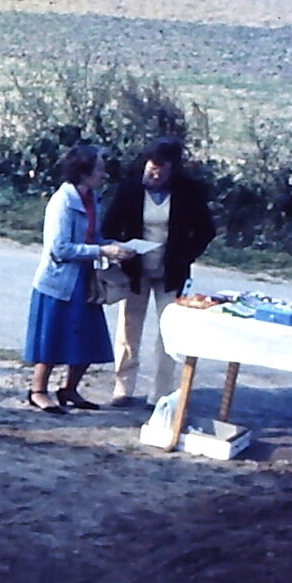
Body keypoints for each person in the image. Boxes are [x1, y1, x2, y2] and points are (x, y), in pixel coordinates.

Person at [102, 137, 216, 407]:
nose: (154, 173)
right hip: (135, 268)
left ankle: (161, 393)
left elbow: (205, 229)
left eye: (161, 169)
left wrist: (185, 254)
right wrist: (121, 248)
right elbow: (107, 228)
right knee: (128, 329)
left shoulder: (188, 191)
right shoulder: (129, 189)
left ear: (172, 168)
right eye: (151, 167)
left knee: (168, 332)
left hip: (171, 270)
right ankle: (123, 387)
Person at [23, 144, 133, 413]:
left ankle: (69, 389)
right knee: (53, 338)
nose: (103, 174)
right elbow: (60, 248)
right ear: (84, 172)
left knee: (87, 338)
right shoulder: (62, 202)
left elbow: (91, 238)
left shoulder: (92, 198)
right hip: (59, 282)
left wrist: (115, 247)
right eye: (99, 169)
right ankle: (38, 391)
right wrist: (101, 250)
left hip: (85, 280)